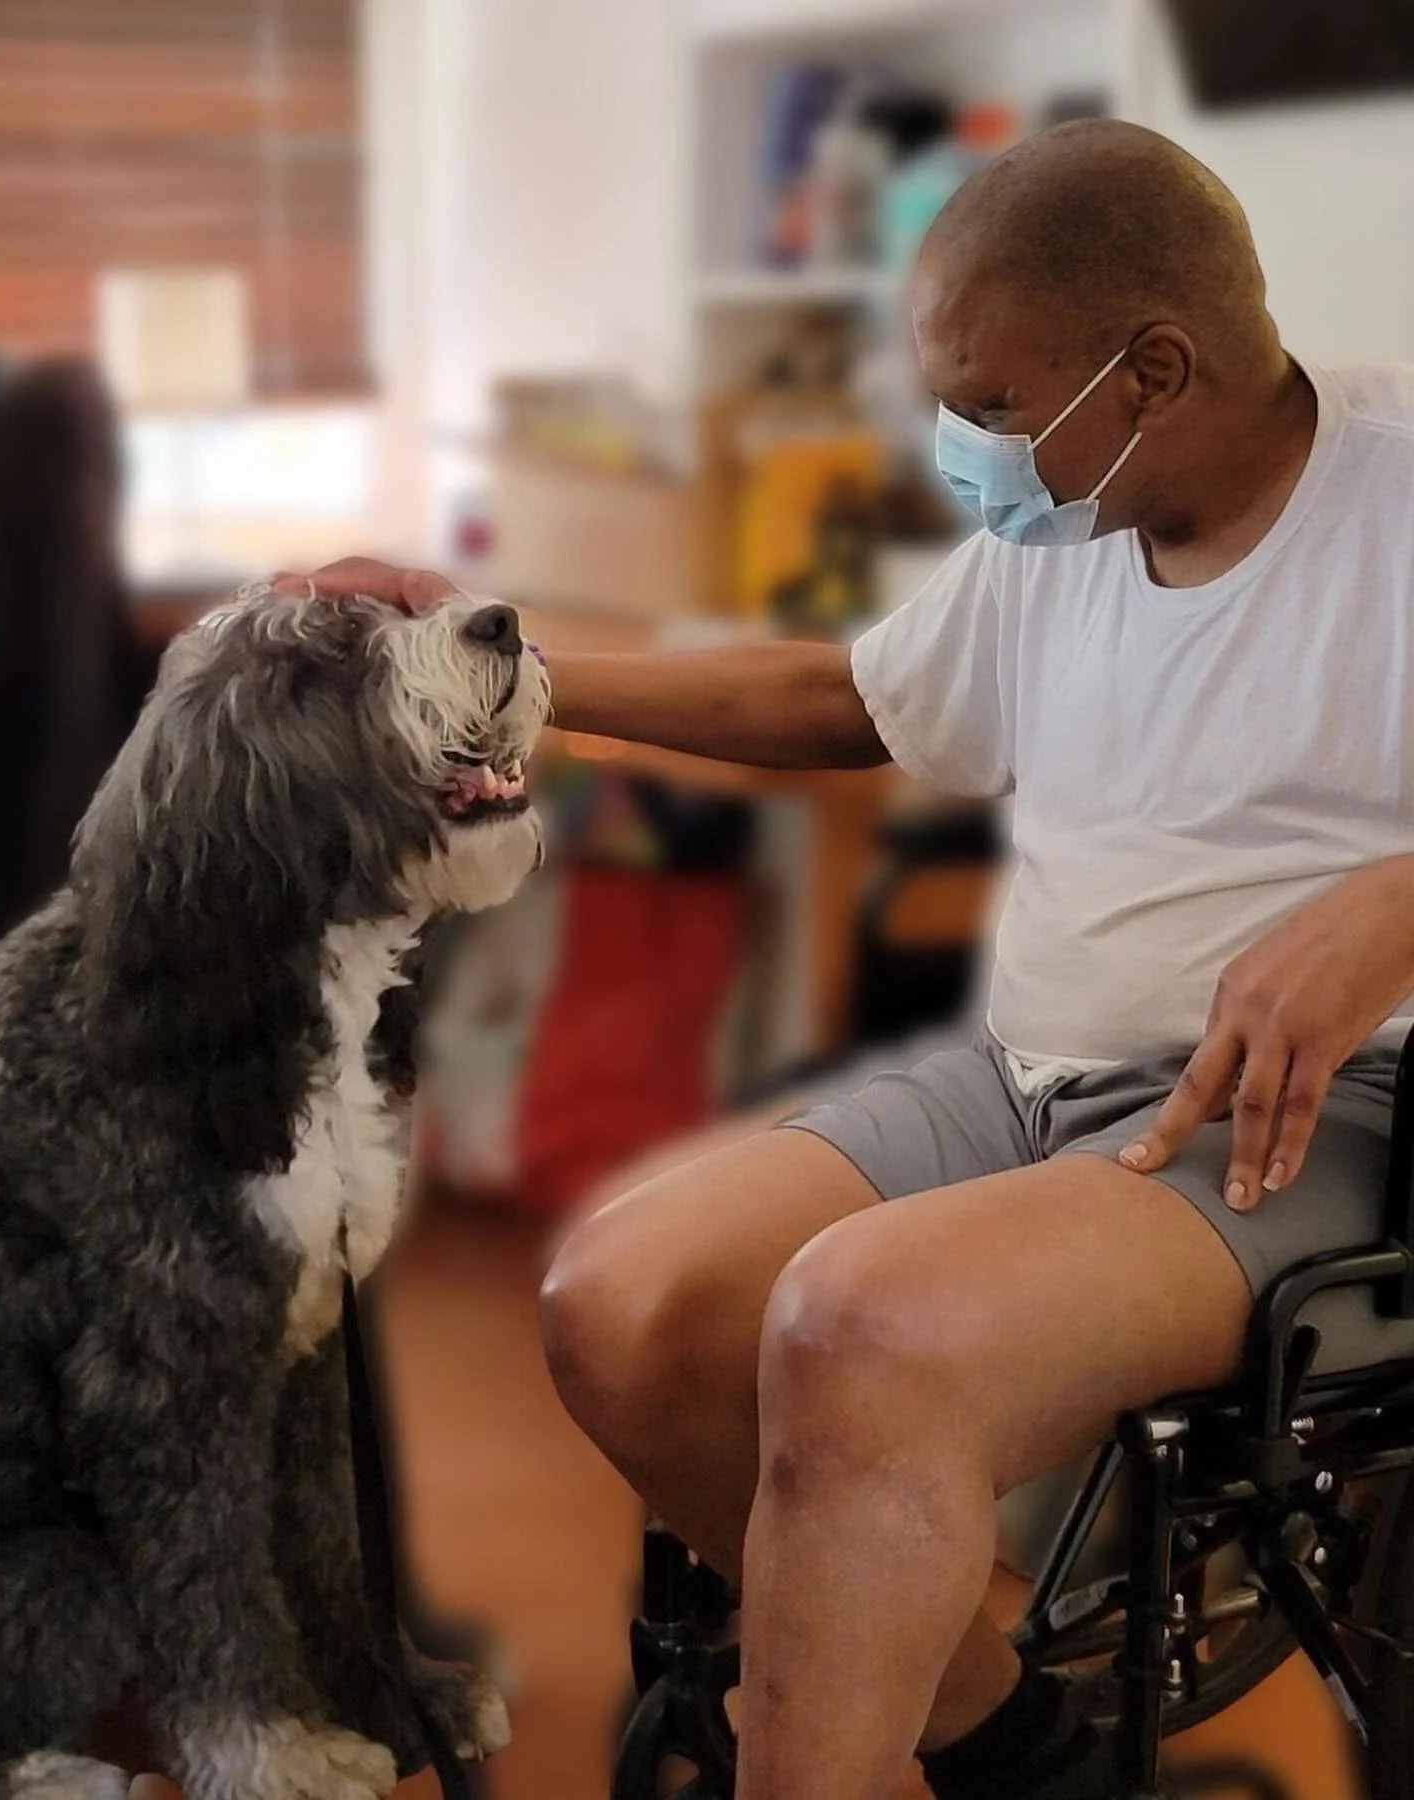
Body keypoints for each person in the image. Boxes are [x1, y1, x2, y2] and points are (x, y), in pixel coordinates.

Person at [284, 118, 1414, 1800]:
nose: (962, 447)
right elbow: (845, 699)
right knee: (624, 1304)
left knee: (851, 1321)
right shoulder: (1070, 534)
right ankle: (1019, 1743)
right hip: (1028, 1081)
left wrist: (1394, 903)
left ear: (1157, 367)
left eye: (995, 405)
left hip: (1285, 1120)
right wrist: (496, 667)